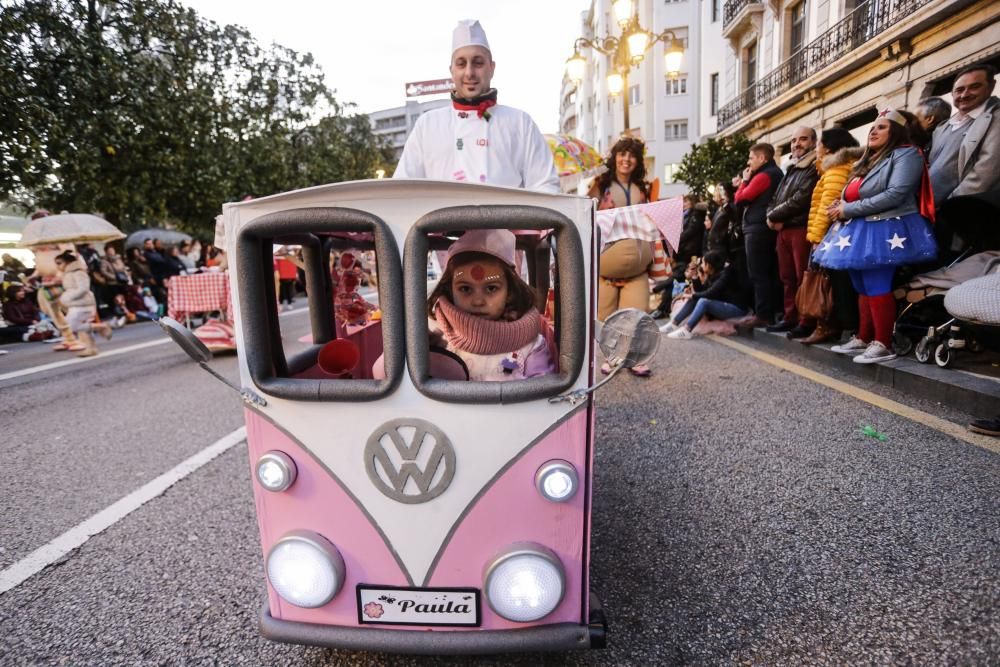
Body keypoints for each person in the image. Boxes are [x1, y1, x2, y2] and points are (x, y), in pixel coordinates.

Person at [814, 110, 937, 364]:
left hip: (885, 227)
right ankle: (864, 337)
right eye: (873, 127)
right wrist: (842, 202)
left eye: (881, 127)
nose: (873, 131)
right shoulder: (869, 159)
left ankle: (883, 342)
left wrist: (846, 208)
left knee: (876, 283)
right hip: (860, 227)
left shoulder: (907, 154)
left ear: (896, 131)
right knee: (861, 284)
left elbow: (896, 194)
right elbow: (858, 194)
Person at [394, 20, 558, 193]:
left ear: (492, 68)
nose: (469, 73)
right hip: (442, 220)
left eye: (478, 62)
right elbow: (403, 190)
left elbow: (545, 185)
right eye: (461, 63)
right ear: (452, 70)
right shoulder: (427, 125)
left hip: (507, 220)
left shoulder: (520, 123)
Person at [426, 228, 554, 381]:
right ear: (449, 289)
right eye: (465, 289)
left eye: (491, 288)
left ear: (510, 291)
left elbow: (540, 393)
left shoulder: (531, 345)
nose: (478, 301)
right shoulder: (435, 334)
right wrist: (431, 354)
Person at [588, 136, 661, 377]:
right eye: (622, 154)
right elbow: (586, 211)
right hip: (606, 266)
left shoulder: (645, 188)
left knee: (638, 314)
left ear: (637, 160)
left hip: (638, 267)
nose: (626, 159)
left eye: (632, 155)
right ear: (614, 157)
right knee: (605, 317)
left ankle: (636, 358)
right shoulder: (601, 184)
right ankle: (612, 357)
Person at [798, 128, 862, 345]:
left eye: (818, 144)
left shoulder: (835, 170)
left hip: (830, 236)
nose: (816, 148)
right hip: (833, 235)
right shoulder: (833, 168)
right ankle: (836, 326)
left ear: (827, 147)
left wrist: (816, 238)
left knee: (827, 283)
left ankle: (829, 326)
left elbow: (825, 206)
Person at [765, 126, 819, 336]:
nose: (797, 144)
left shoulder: (813, 166)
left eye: (803, 139)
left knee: (802, 277)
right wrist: (771, 217)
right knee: (787, 277)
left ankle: (806, 321)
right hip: (784, 230)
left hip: (800, 229)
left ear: (813, 142)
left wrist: (773, 216)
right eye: (794, 140)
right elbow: (775, 199)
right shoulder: (791, 168)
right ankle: (791, 317)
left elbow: (800, 199)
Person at [929, 63, 999, 205]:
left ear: (991, 87)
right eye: (960, 90)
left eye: (975, 87)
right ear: (952, 94)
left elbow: (985, 173)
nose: (965, 94)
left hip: (965, 212)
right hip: (931, 211)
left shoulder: (996, 118)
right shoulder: (942, 127)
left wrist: (951, 205)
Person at [733, 143, 784, 327]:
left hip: (757, 229)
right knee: (769, 273)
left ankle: (763, 314)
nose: (749, 162)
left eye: (751, 158)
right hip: (763, 228)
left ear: (762, 158)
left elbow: (741, 198)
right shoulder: (775, 173)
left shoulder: (764, 175)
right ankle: (773, 312)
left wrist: (745, 181)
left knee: (758, 273)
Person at [660, 250, 752, 339]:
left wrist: (690, 295)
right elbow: (701, 291)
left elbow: (709, 293)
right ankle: (674, 324)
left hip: (737, 309)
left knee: (703, 301)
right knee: (696, 298)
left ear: (709, 265)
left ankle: (687, 330)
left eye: (703, 263)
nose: (702, 265)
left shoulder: (725, 276)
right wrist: (695, 276)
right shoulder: (714, 273)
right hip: (724, 305)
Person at [53, 250, 112, 357]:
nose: (58, 266)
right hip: (76, 304)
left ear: (67, 262)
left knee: (72, 326)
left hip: (83, 304)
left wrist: (68, 297)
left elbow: (83, 288)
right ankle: (91, 348)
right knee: (83, 328)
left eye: (59, 263)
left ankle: (101, 326)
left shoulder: (78, 272)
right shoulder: (68, 273)